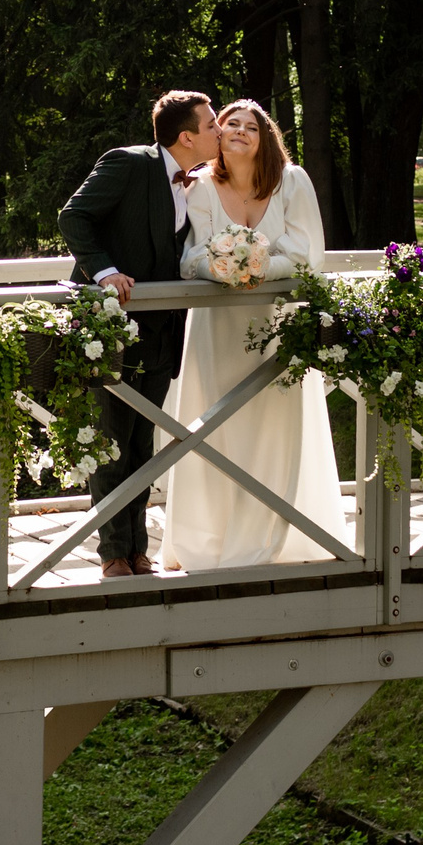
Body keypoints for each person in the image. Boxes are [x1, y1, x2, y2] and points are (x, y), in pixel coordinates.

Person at [162, 98, 348, 572]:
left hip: (274, 326)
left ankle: (273, 535)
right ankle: (206, 539)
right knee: (213, 430)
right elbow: (189, 259)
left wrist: (256, 266)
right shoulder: (201, 187)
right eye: (231, 124)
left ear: (265, 138)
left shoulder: (292, 181)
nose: (241, 131)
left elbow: (308, 257)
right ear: (219, 136)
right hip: (215, 328)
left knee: (273, 430)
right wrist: (225, 267)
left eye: (252, 126)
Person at [56, 91, 220, 577]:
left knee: (143, 443)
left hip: (163, 329)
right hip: (113, 327)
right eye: (211, 124)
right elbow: (73, 216)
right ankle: (112, 552)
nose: (219, 131)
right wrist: (105, 272)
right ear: (186, 135)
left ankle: (137, 549)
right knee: (112, 443)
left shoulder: (196, 182)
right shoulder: (128, 163)